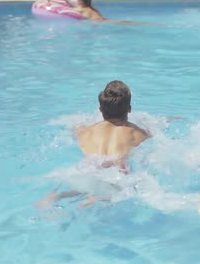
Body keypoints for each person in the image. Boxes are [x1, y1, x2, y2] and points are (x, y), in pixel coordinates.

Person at [36, 80, 149, 208]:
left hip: (87, 169)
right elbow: (153, 133)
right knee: (122, 189)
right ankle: (95, 197)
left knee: (83, 181)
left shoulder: (85, 131)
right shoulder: (137, 133)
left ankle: (55, 196)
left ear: (100, 109)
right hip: (115, 174)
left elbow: (73, 128)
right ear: (129, 109)